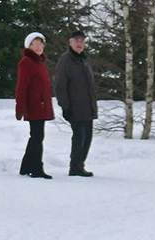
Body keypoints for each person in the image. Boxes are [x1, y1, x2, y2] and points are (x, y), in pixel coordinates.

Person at [54, 29, 98, 177]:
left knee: (87, 137)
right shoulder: (66, 60)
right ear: (70, 42)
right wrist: (65, 107)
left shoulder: (84, 59)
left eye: (82, 41)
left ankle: (80, 165)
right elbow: (60, 85)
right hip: (75, 107)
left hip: (87, 106)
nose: (79, 44)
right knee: (79, 137)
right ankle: (75, 167)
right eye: (76, 41)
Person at [15, 32, 54, 179]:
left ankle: (26, 167)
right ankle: (36, 168)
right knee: (37, 137)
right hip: (34, 106)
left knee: (36, 137)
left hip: (42, 105)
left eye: (40, 44)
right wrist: (21, 107)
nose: (38, 47)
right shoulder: (27, 62)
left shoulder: (40, 63)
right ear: (29, 46)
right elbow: (22, 86)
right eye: (35, 44)